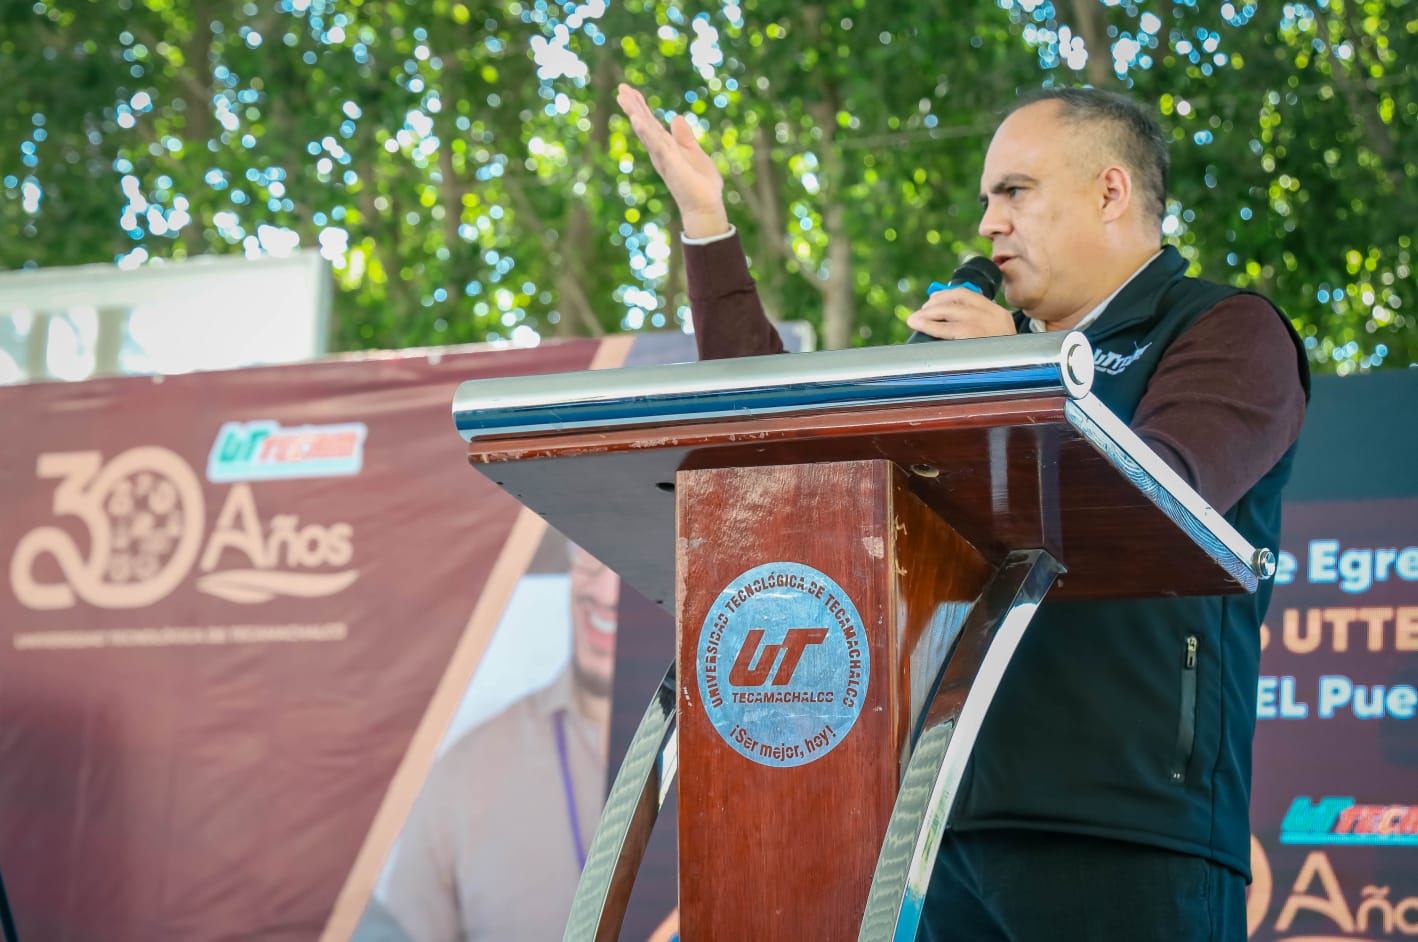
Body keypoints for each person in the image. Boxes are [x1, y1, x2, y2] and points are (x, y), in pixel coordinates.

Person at [617, 83, 1309, 940]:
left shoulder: (1225, 329)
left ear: (1110, 191)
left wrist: (1015, 371)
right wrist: (707, 229)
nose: (988, 223)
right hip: (934, 826)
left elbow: (1158, 501)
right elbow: (791, 443)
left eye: (1014, 191)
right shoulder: (986, 353)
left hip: (1129, 829)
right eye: (986, 200)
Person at [376, 542, 620, 941]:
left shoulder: (725, 755)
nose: (606, 592)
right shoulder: (466, 769)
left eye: (631, 563)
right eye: (594, 554)